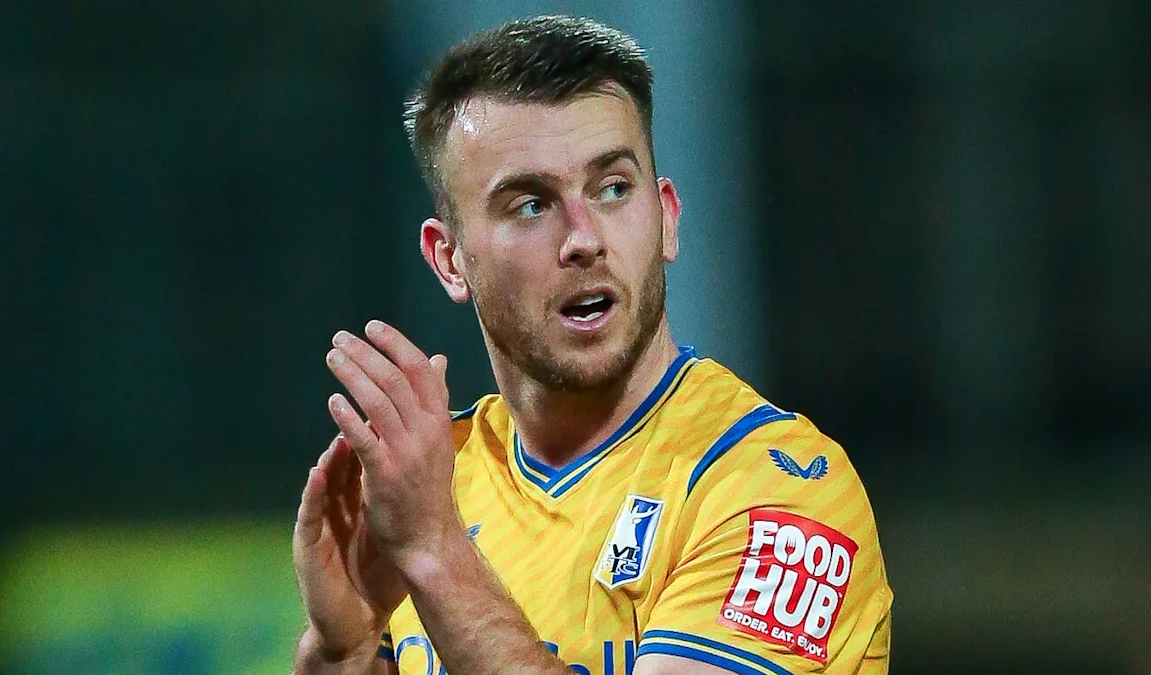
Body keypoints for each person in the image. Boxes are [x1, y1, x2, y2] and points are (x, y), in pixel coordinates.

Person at [291, 15, 891, 675]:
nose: (584, 238)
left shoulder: (779, 494)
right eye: (530, 204)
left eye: (612, 189)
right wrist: (342, 649)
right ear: (449, 259)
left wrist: (435, 553)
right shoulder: (434, 481)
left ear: (666, 218)